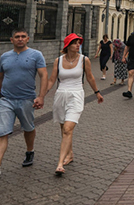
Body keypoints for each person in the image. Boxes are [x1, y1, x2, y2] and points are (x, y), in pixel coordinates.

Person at [0, 29, 47, 182]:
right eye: (17, 37)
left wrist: (41, 96)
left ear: (28, 39)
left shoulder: (36, 55)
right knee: (1, 132)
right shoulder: (5, 57)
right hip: (6, 99)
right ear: (11, 40)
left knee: (28, 128)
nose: (20, 39)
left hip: (26, 99)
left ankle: (30, 151)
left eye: (23, 36)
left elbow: (43, 75)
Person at [47, 34, 103, 176]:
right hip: (60, 96)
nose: (78, 45)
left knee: (68, 128)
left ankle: (60, 163)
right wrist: (41, 95)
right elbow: (52, 79)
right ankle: (70, 154)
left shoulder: (84, 60)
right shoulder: (58, 61)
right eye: (75, 43)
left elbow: (89, 77)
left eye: (79, 43)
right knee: (64, 129)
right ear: (67, 45)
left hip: (76, 95)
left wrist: (97, 92)